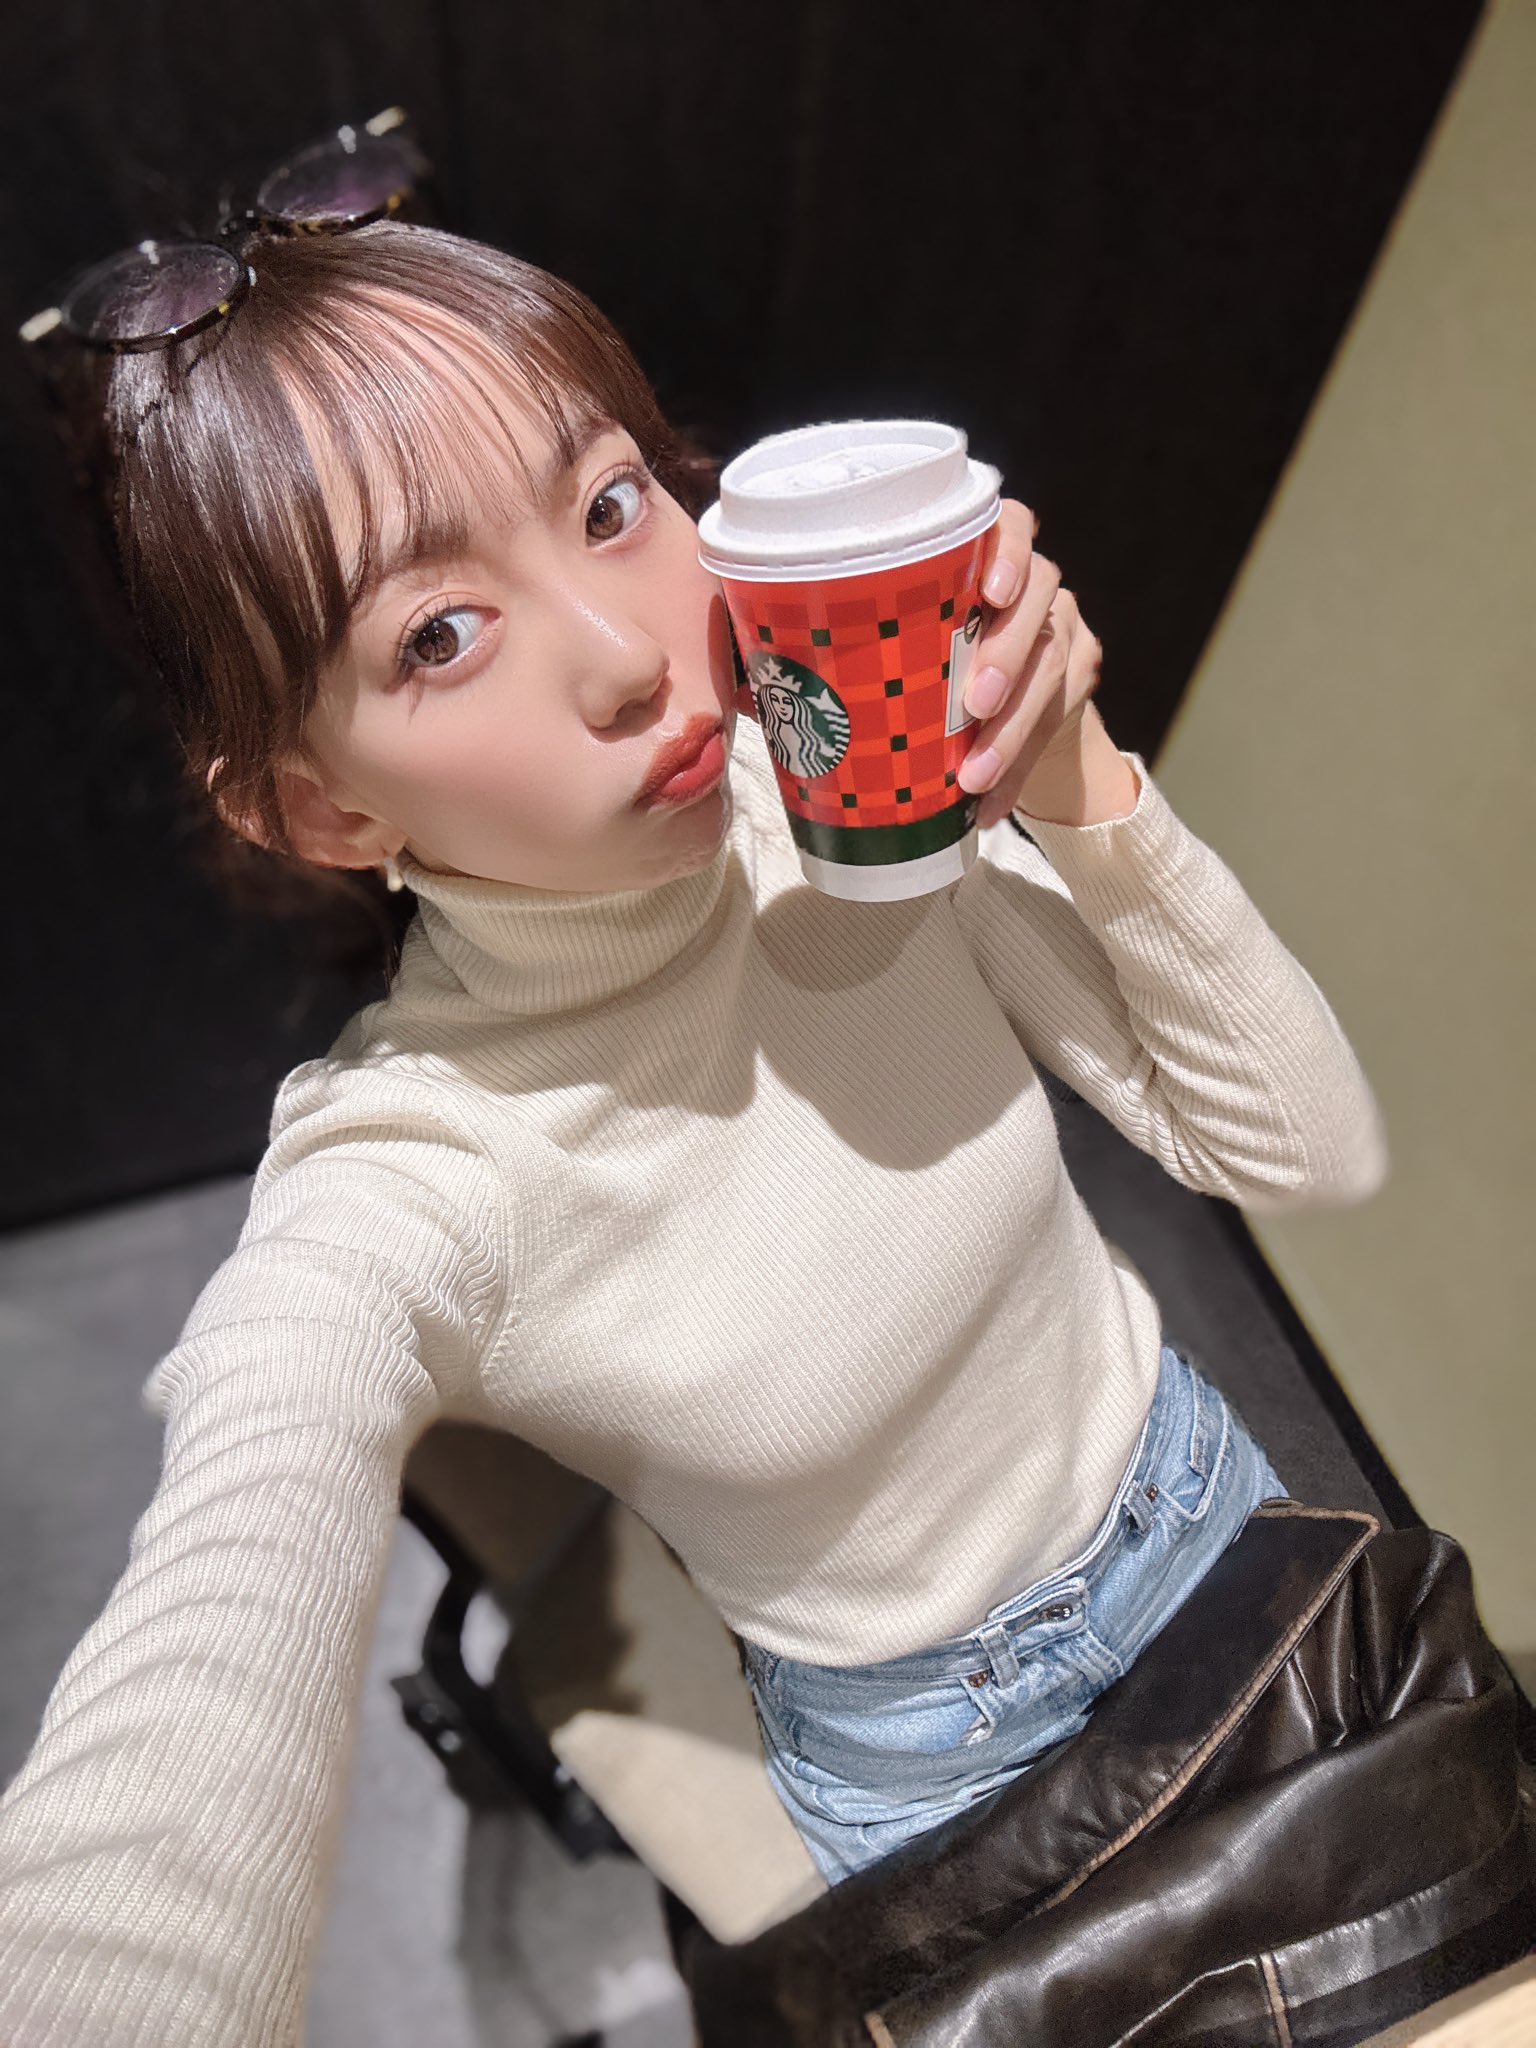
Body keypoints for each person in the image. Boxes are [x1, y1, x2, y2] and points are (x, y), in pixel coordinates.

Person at [0, 211, 1388, 2046]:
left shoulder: (835, 790)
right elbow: (195, 1683)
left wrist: (1085, 788)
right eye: (439, 634)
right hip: (937, 1763)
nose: (625, 656)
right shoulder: (409, 1175)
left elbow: (1305, 1153)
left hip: (1227, 1519)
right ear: (321, 809)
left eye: (606, 505)